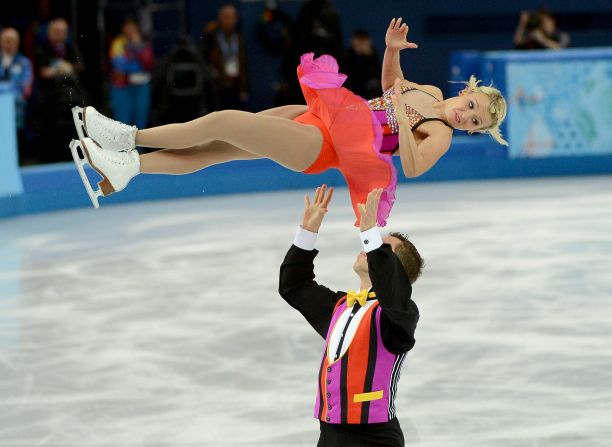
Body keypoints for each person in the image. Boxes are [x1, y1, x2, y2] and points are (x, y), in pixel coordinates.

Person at [70, 17, 507, 225]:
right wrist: (392, 50)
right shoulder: (430, 92)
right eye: (473, 107)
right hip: (323, 114)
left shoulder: (440, 135)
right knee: (218, 150)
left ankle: (128, 138)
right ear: (467, 91)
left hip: (324, 148)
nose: (466, 117)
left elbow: (410, 166)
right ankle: (130, 165)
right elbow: (392, 86)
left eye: (476, 122)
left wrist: (402, 112)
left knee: (224, 122)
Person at [279, 185, 422, 447]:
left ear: (393, 270)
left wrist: (370, 234)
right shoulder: (339, 307)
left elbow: (392, 290)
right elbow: (294, 286)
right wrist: (306, 234)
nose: (370, 249)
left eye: (382, 249)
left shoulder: (400, 315)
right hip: (329, 436)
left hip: (374, 440)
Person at [35, 17, 85, 163]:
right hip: (50, 100)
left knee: (72, 131)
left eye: (62, 31)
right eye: (56, 31)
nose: (59, 34)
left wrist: (69, 68)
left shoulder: (71, 47)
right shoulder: (42, 48)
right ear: (49, 33)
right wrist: (60, 68)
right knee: (51, 134)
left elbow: (80, 66)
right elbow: (43, 71)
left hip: (71, 98)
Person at [109, 18, 154, 129]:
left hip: (141, 88)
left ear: (137, 29)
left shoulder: (143, 44)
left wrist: (137, 47)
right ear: (123, 29)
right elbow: (120, 66)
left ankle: (139, 147)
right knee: (122, 124)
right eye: (127, 28)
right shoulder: (117, 43)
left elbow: (149, 63)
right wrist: (137, 64)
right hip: (122, 88)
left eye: (132, 28)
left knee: (141, 123)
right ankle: (123, 147)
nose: (130, 31)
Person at [203, 4, 247, 110]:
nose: (229, 21)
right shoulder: (213, 35)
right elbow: (204, 55)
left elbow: (243, 63)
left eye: (231, 17)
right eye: (226, 17)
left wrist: (244, 88)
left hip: (235, 84)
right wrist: (206, 34)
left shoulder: (238, 37)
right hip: (218, 85)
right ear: (220, 18)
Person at [0, 27, 33, 162]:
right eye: (6, 40)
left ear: (17, 43)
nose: (9, 43)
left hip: (16, 110)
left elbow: (25, 87)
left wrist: (5, 92)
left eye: (12, 41)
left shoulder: (24, 62)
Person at [341, 29, 380, 100]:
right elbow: (346, 74)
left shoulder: (372, 55)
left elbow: (376, 74)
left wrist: (369, 56)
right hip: (352, 89)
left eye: (363, 41)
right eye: (358, 41)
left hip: (369, 91)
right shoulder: (347, 54)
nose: (361, 44)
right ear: (352, 41)